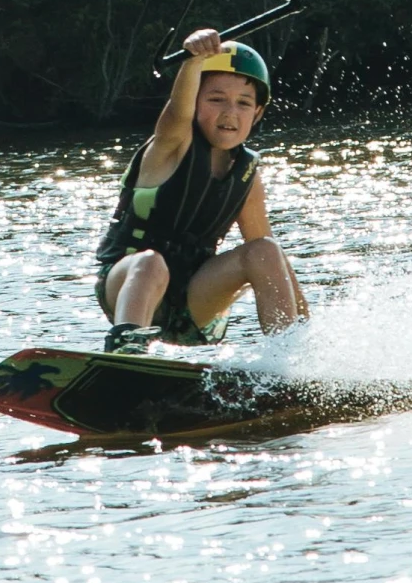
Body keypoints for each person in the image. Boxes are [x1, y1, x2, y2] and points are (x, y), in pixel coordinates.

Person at [94, 26, 310, 354]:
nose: (229, 113)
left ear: (258, 112)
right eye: (215, 99)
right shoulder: (171, 144)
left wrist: (310, 331)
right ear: (195, 100)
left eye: (243, 103)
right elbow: (177, 112)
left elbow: (271, 261)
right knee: (150, 263)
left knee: (265, 249)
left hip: (195, 300)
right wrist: (193, 60)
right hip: (131, 287)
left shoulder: (247, 174)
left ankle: (291, 356)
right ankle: (125, 353)